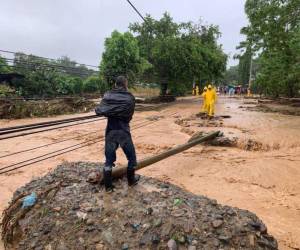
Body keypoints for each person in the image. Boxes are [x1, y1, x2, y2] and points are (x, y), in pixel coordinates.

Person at [95, 76, 140, 192]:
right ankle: (131, 181)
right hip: (124, 132)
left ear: (115, 84)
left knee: (109, 160)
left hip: (110, 132)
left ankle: (108, 187)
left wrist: (111, 112)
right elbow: (129, 116)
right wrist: (120, 114)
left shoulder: (108, 95)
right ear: (125, 84)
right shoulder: (130, 98)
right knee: (132, 158)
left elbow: (99, 110)